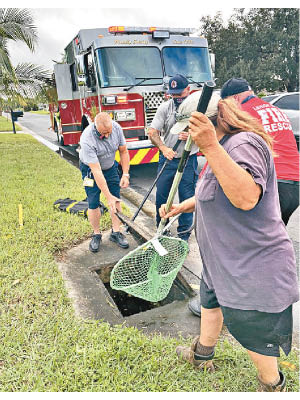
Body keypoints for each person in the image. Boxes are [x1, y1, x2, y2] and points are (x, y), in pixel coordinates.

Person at [159, 97, 299, 391]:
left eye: (192, 129)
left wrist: (209, 146)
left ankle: (272, 385)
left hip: (250, 262)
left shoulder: (242, 144)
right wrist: (188, 205)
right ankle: (201, 355)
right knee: (210, 303)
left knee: (255, 331)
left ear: (214, 121)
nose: (188, 136)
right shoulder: (221, 146)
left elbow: (246, 196)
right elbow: (219, 187)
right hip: (221, 258)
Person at [189, 77, 300, 317]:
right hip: (294, 182)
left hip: (266, 182)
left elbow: (227, 158)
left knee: (247, 247)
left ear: (232, 100)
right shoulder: (272, 109)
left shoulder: (242, 116)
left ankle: (246, 308)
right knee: (267, 241)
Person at [148, 74, 199, 241]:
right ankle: (162, 229)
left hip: (188, 159)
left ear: (188, 90)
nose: (176, 97)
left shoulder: (197, 108)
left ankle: (184, 234)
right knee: (162, 196)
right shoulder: (165, 108)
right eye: (173, 94)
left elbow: (211, 131)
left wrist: (193, 134)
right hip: (168, 159)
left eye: (179, 94)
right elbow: (152, 133)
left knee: (187, 197)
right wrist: (163, 148)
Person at [79, 112, 130, 252]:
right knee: (93, 202)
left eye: (109, 132)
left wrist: (125, 174)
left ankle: (116, 232)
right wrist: (108, 198)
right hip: (91, 170)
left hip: (110, 167)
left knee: (116, 198)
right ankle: (96, 234)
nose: (107, 136)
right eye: (103, 133)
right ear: (96, 127)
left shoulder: (117, 128)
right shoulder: (87, 138)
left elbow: (123, 151)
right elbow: (96, 171)